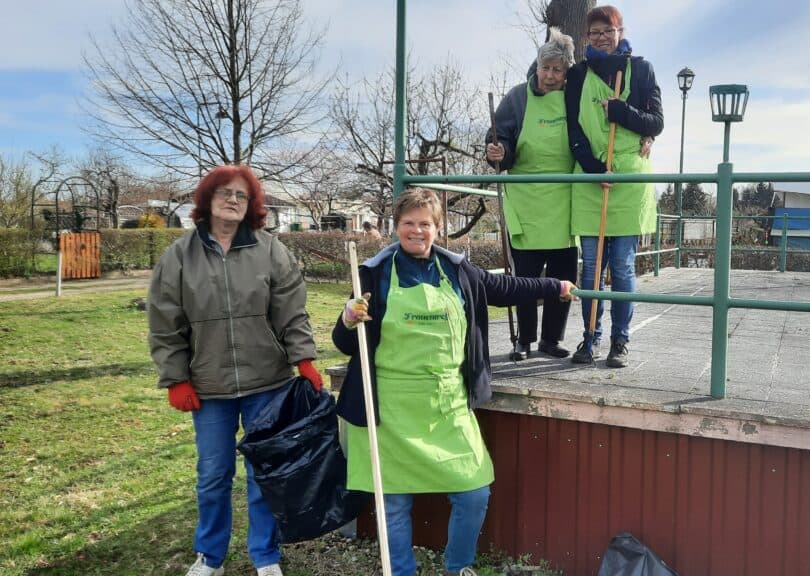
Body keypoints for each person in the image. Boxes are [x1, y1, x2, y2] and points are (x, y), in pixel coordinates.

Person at [332, 188, 575, 576]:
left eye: (424, 223)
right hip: (388, 408)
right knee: (394, 504)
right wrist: (347, 318)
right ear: (396, 227)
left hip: (447, 403)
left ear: (437, 228)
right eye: (408, 223)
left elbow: (506, 289)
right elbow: (346, 343)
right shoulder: (372, 273)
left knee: (474, 492)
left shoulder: (457, 270)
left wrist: (554, 286)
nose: (416, 230)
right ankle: (401, 571)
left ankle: (458, 566)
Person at [147, 164, 323, 576]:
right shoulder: (179, 255)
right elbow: (164, 322)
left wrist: (305, 358)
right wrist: (176, 378)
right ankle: (210, 556)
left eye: (242, 195)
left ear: (252, 205)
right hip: (209, 387)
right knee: (213, 474)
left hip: (268, 382)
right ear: (207, 199)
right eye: (225, 193)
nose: (233, 200)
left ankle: (266, 556)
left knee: (263, 472)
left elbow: (291, 312)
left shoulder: (269, 250)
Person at [565, 5, 663, 368]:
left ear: (620, 31)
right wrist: (592, 167)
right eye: (594, 32)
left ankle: (620, 340)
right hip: (591, 178)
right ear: (587, 37)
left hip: (629, 180)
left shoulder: (642, 70)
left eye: (608, 30)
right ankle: (590, 338)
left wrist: (620, 112)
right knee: (590, 269)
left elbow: (657, 121)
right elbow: (573, 130)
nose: (602, 37)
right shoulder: (577, 75)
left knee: (622, 269)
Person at [485, 28, 578, 361]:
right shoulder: (517, 97)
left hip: (565, 198)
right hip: (525, 199)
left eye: (558, 70)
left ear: (566, 72)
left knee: (563, 276)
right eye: (546, 68)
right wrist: (498, 152)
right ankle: (523, 340)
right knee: (524, 277)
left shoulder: (573, 97)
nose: (550, 76)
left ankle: (551, 340)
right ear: (537, 66)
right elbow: (501, 138)